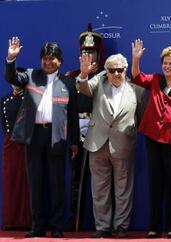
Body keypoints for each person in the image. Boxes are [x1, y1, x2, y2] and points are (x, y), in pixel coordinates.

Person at [4, 37, 79, 238]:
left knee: (56, 183)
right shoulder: (29, 75)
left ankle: (56, 226)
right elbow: (12, 78)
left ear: (60, 61)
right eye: (44, 58)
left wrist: (74, 143)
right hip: (34, 136)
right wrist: (11, 59)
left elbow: (72, 116)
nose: (47, 62)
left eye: (51, 59)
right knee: (35, 183)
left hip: (57, 138)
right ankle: (37, 226)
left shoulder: (69, 83)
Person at [131, 39, 171, 238]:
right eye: (165, 63)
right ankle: (154, 226)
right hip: (153, 138)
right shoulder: (155, 80)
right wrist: (136, 59)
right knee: (155, 183)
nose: (167, 66)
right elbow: (136, 77)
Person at [76, 53, 146, 238]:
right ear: (106, 71)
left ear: (125, 70)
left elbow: (143, 116)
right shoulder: (98, 84)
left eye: (120, 70)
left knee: (123, 188)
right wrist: (84, 74)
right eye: (112, 70)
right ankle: (102, 227)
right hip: (97, 144)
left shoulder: (137, 90)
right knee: (99, 188)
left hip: (123, 144)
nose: (116, 73)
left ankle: (121, 226)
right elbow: (82, 87)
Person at [65, 23, 105, 231]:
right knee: (77, 181)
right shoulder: (71, 77)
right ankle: (76, 223)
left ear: (100, 53)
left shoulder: (108, 76)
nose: (88, 55)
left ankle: (106, 225)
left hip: (101, 136)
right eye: (85, 51)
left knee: (104, 183)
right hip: (77, 137)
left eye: (92, 52)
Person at [0, 84, 31, 229]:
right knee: (10, 180)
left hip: (26, 144)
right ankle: (10, 220)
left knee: (27, 180)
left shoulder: (30, 99)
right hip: (10, 144)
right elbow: (4, 125)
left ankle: (27, 220)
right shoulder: (4, 100)